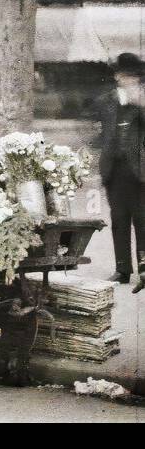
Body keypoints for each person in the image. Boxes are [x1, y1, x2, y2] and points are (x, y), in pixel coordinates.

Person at [95, 52, 144, 283]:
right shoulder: (107, 100)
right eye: (125, 75)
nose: (129, 80)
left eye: (134, 76)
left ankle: (144, 269)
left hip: (140, 170)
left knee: (143, 221)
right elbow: (99, 131)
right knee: (119, 220)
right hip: (114, 169)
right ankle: (122, 269)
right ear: (117, 76)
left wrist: (140, 104)